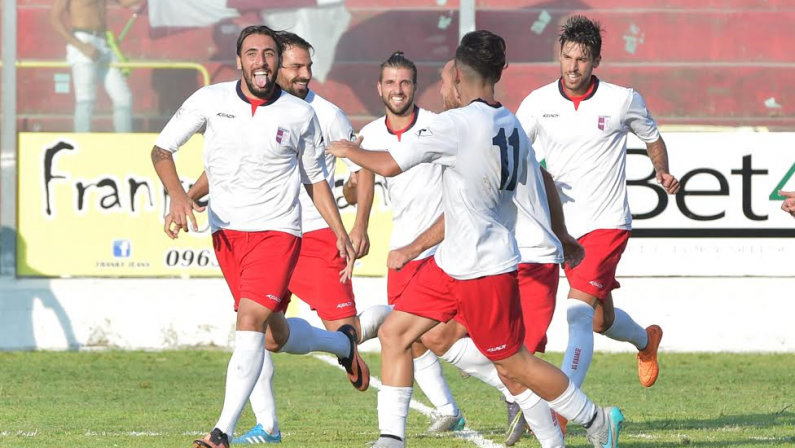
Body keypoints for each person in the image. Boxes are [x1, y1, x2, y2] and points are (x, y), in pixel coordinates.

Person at [328, 30, 623, 448]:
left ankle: (596, 421)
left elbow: (390, 165)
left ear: (461, 76)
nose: (445, 87)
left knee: (514, 364)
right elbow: (540, 183)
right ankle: (391, 439)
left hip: (485, 268)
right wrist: (562, 236)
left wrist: (347, 150)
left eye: (448, 78)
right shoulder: (511, 124)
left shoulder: (457, 124)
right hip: (450, 263)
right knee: (396, 334)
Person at [151, 25, 367, 448]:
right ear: (239, 61)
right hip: (227, 233)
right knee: (272, 335)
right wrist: (179, 196)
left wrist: (341, 231)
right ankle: (341, 346)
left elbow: (314, 180)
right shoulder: (209, 101)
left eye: (268, 54)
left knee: (248, 322)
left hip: (277, 232)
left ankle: (222, 431)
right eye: (252, 53)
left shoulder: (299, 115)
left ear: (276, 61)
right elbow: (162, 151)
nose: (261, 62)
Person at [515, 18, 680, 413]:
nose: (573, 67)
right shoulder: (537, 103)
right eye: (567, 57)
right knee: (598, 321)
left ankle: (563, 410)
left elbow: (652, 137)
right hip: (558, 228)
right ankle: (645, 341)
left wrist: (662, 170)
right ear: (559, 55)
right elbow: (513, 152)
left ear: (596, 61)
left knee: (576, 313)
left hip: (606, 223)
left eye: (582, 59)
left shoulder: (621, 99)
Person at [357, 51, 467, 433]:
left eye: (404, 82)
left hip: (440, 248)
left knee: (438, 338)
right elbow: (361, 187)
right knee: (412, 340)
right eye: (390, 82)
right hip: (401, 252)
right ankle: (448, 410)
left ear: (415, 87)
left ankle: (513, 390)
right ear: (379, 88)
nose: (398, 90)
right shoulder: (370, 134)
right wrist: (358, 221)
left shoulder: (439, 126)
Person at [51, 0, 138, 132]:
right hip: (82, 40)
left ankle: (125, 142)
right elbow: (54, 18)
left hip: (104, 42)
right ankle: (82, 145)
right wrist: (81, 46)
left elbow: (125, 2)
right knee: (85, 99)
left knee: (123, 98)